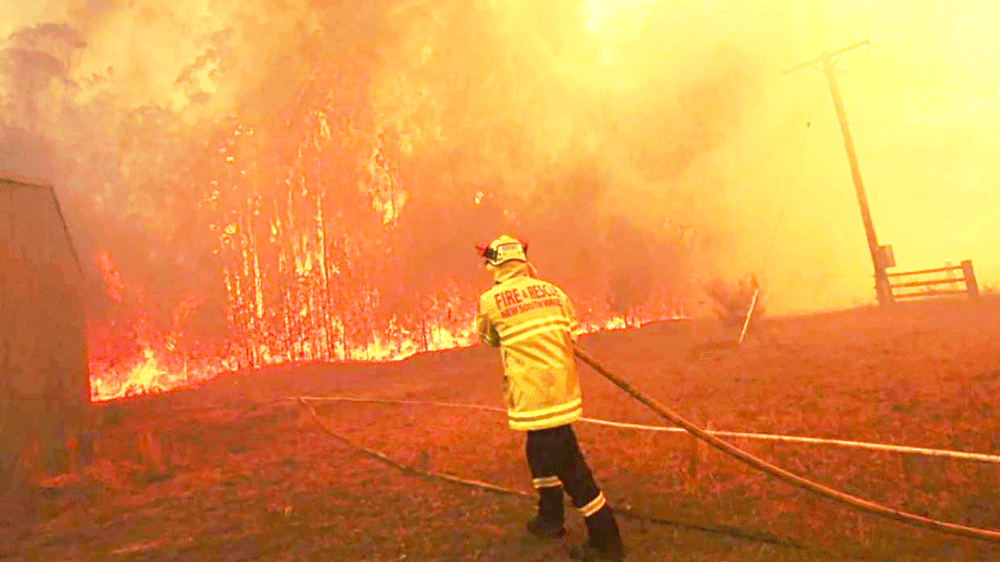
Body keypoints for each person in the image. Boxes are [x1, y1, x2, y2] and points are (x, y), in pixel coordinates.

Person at [475, 235, 625, 562]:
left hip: (533, 394)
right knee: (539, 451)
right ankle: (550, 517)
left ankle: (606, 538)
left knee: (570, 466)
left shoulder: (490, 300)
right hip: (562, 390)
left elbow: (489, 338)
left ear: (496, 264)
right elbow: (571, 332)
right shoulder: (555, 292)